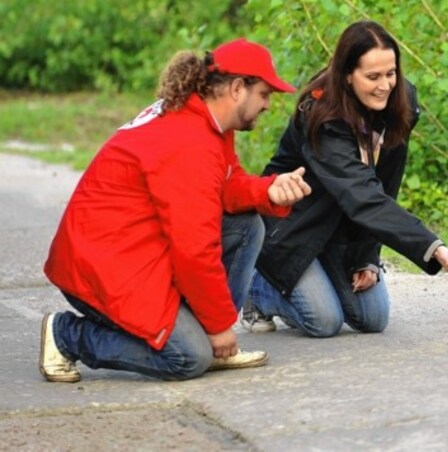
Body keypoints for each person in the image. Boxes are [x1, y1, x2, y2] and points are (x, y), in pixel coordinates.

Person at [39, 38, 312, 383]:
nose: (269, 104)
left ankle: (206, 335)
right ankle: (66, 335)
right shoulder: (189, 142)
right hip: (101, 268)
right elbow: (194, 249)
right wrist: (216, 327)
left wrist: (267, 188)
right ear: (238, 88)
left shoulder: (204, 121)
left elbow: (225, 185)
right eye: (265, 93)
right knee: (187, 356)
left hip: (130, 250)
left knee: (247, 226)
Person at [240, 21, 448, 338]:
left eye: (390, 73)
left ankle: (319, 276)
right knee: (324, 321)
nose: (385, 85)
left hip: (341, 223)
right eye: (373, 77)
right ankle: (258, 290)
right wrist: (438, 251)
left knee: (372, 318)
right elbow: (362, 197)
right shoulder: (321, 114)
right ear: (347, 75)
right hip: (295, 225)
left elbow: (385, 187)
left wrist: (367, 255)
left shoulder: (400, 100)